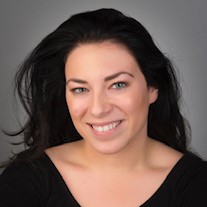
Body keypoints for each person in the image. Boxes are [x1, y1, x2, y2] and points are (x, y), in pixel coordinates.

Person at [0, 8, 206, 207]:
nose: (98, 109)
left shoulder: (196, 184)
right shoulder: (26, 179)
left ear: (153, 88)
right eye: (80, 89)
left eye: (118, 85)